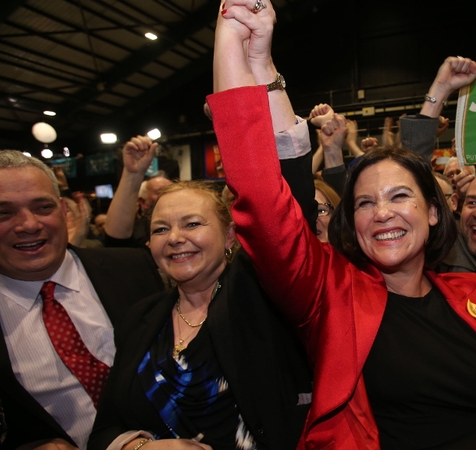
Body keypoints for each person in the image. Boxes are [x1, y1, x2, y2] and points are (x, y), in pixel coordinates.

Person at [212, 1, 476, 448]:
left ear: (434, 212)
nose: (381, 213)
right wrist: (240, 49)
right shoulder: (331, 293)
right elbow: (261, 200)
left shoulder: (472, 297)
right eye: (364, 203)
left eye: (399, 196)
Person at [90, 59, 316, 449]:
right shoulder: (139, 318)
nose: (175, 238)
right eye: (161, 229)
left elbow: (288, 208)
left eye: (192, 224)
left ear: (231, 234)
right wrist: (137, 447)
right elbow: (107, 426)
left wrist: (253, 94)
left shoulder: (262, 298)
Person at [0, 150, 164, 449]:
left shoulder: (136, 268)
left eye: (42, 207)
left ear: (62, 210)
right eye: (2, 212)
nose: (28, 224)